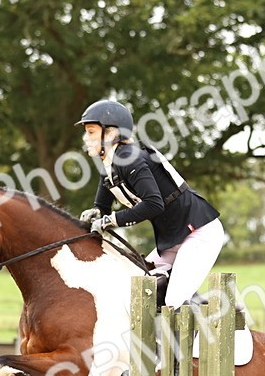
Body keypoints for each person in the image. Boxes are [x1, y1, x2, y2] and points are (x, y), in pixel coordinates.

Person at [75, 100, 225, 308]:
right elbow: (102, 207)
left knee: (173, 301)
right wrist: (94, 214)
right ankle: (198, 305)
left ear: (111, 134)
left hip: (199, 232)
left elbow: (154, 204)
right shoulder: (108, 166)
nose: (86, 138)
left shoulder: (130, 158)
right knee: (140, 289)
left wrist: (111, 220)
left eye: (91, 132)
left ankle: (211, 329)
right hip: (172, 242)